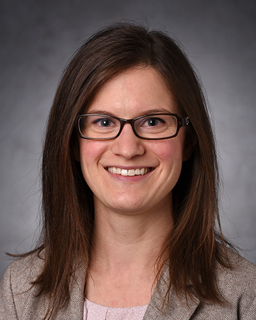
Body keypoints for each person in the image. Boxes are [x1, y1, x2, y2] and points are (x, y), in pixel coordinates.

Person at [0, 22, 256, 320]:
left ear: (189, 142)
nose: (128, 148)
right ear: (72, 143)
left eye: (153, 122)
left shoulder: (244, 297)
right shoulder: (20, 291)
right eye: (104, 122)